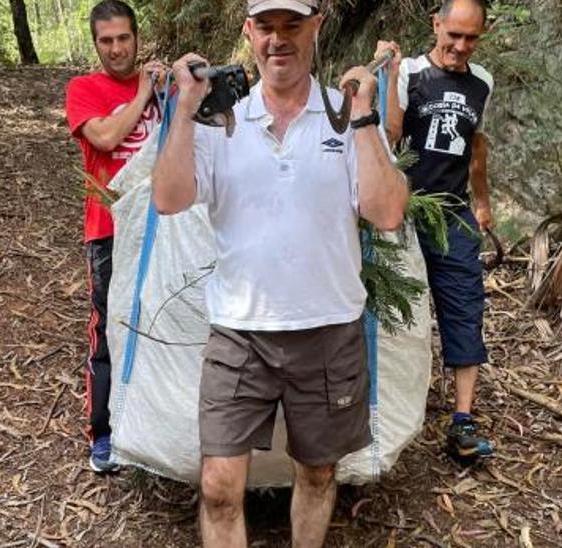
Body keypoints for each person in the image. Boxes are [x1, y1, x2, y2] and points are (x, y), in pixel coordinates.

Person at [151, 0, 409, 545]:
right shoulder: (221, 120)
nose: (278, 40)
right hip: (239, 333)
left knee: (317, 473)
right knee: (220, 486)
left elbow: (387, 212)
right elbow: (169, 199)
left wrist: (363, 115)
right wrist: (184, 109)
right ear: (248, 32)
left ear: (316, 27)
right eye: (266, 26)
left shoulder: (346, 113)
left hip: (328, 328)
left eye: (292, 25)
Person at [378, 0, 495, 463]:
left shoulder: (482, 82)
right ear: (437, 24)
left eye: (471, 39)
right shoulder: (407, 73)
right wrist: (387, 77)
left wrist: (483, 201)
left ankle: (462, 421)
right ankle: (388, 407)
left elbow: (477, 145)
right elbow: (388, 136)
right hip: (405, 212)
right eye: (454, 35)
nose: (461, 47)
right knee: (396, 310)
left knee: (464, 307)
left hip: (454, 214)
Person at [64, 0, 164, 474]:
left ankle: (150, 426)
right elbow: (104, 138)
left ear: (136, 38)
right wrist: (144, 92)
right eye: (106, 40)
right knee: (108, 330)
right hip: (108, 231)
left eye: (124, 38)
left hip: (162, 228)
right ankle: (103, 435)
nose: (117, 48)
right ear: (96, 44)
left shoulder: (159, 88)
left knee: (161, 325)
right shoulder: (84, 89)